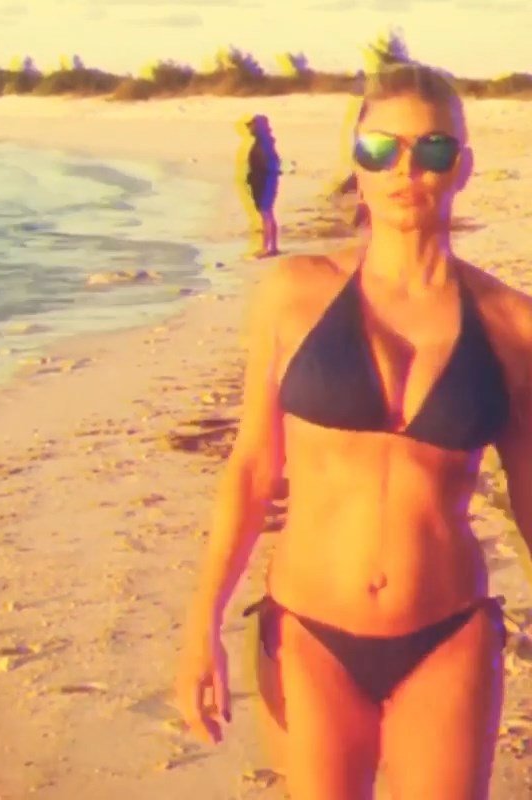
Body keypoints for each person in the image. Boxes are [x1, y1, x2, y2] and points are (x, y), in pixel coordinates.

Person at [176, 60, 532, 800]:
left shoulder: (511, 325)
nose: (406, 169)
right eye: (381, 149)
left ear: (463, 167)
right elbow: (252, 469)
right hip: (310, 634)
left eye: (432, 148)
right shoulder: (294, 294)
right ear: (357, 165)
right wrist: (201, 623)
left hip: (450, 634)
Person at [244, 114, 281, 258]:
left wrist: (259, 178)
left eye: (252, 126)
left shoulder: (264, 143)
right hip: (265, 181)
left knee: (266, 214)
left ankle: (267, 248)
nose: (250, 129)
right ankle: (272, 247)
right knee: (268, 213)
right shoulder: (266, 142)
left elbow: (267, 164)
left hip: (264, 182)